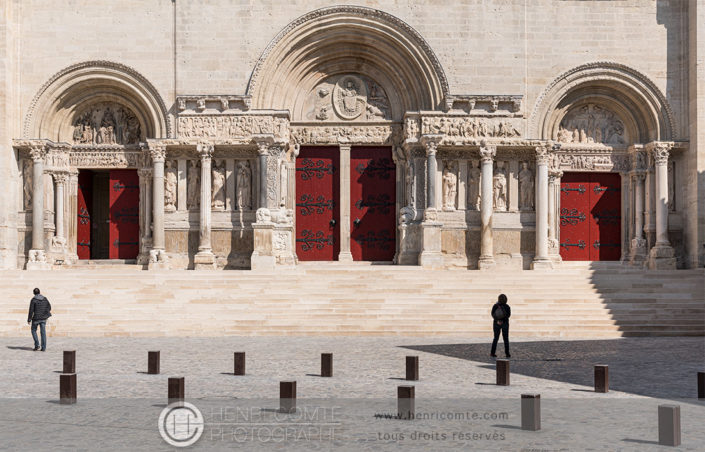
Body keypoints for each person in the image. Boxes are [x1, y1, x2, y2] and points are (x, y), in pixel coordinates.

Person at [490, 294, 511, 358]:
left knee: (495, 338)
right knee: (506, 339)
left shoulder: (495, 306)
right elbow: (508, 315)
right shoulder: (507, 306)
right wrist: (503, 320)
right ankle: (507, 353)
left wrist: (498, 320)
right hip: (505, 323)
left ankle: (492, 353)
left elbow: (492, 314)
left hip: (496, 323)